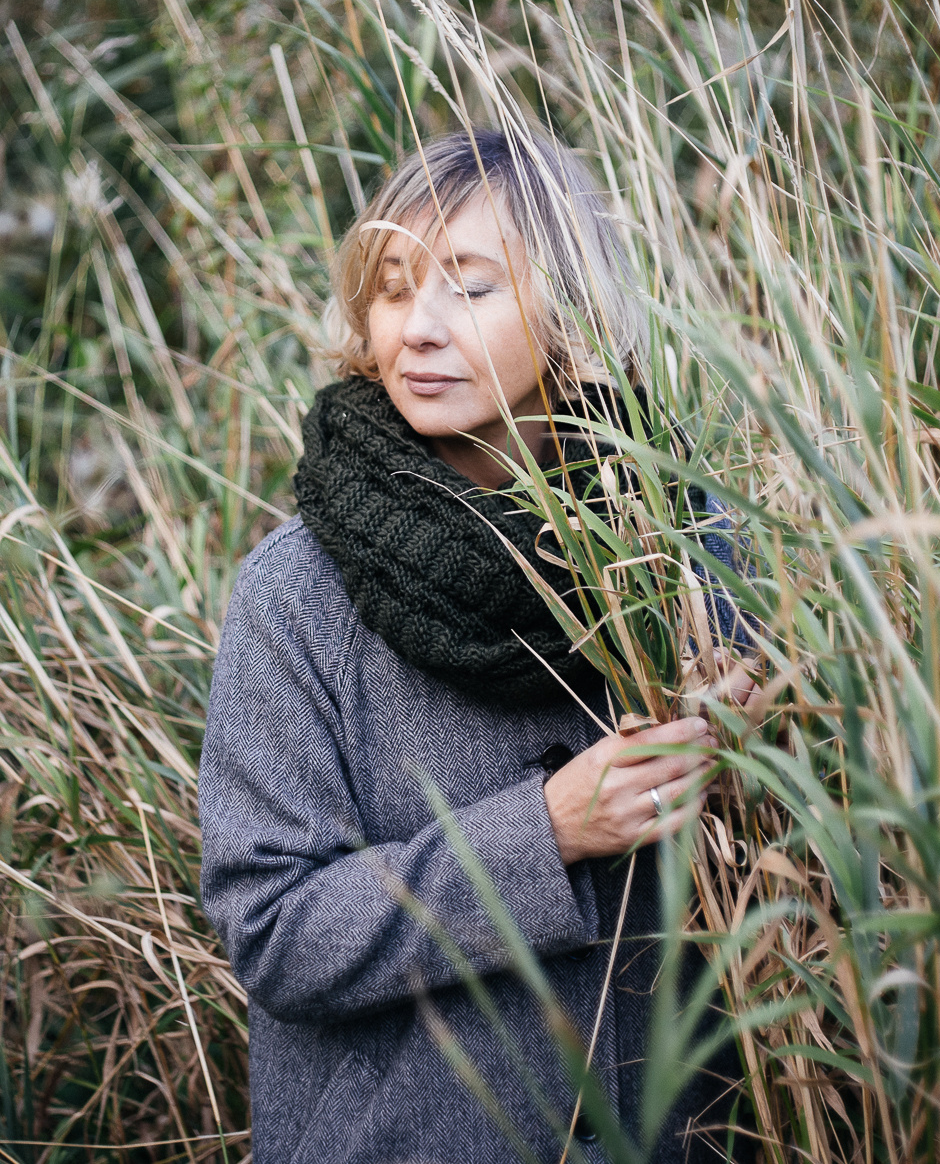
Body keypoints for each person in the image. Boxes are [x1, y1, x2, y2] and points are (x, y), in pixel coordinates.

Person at [198, 127, 761, 1163]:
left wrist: (761, 747)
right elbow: (273, 927)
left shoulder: (683, 546)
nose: (416, 328)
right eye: (392, 289)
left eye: (467, 287)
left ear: (567, 305)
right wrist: (540, 835)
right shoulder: (298, 592)